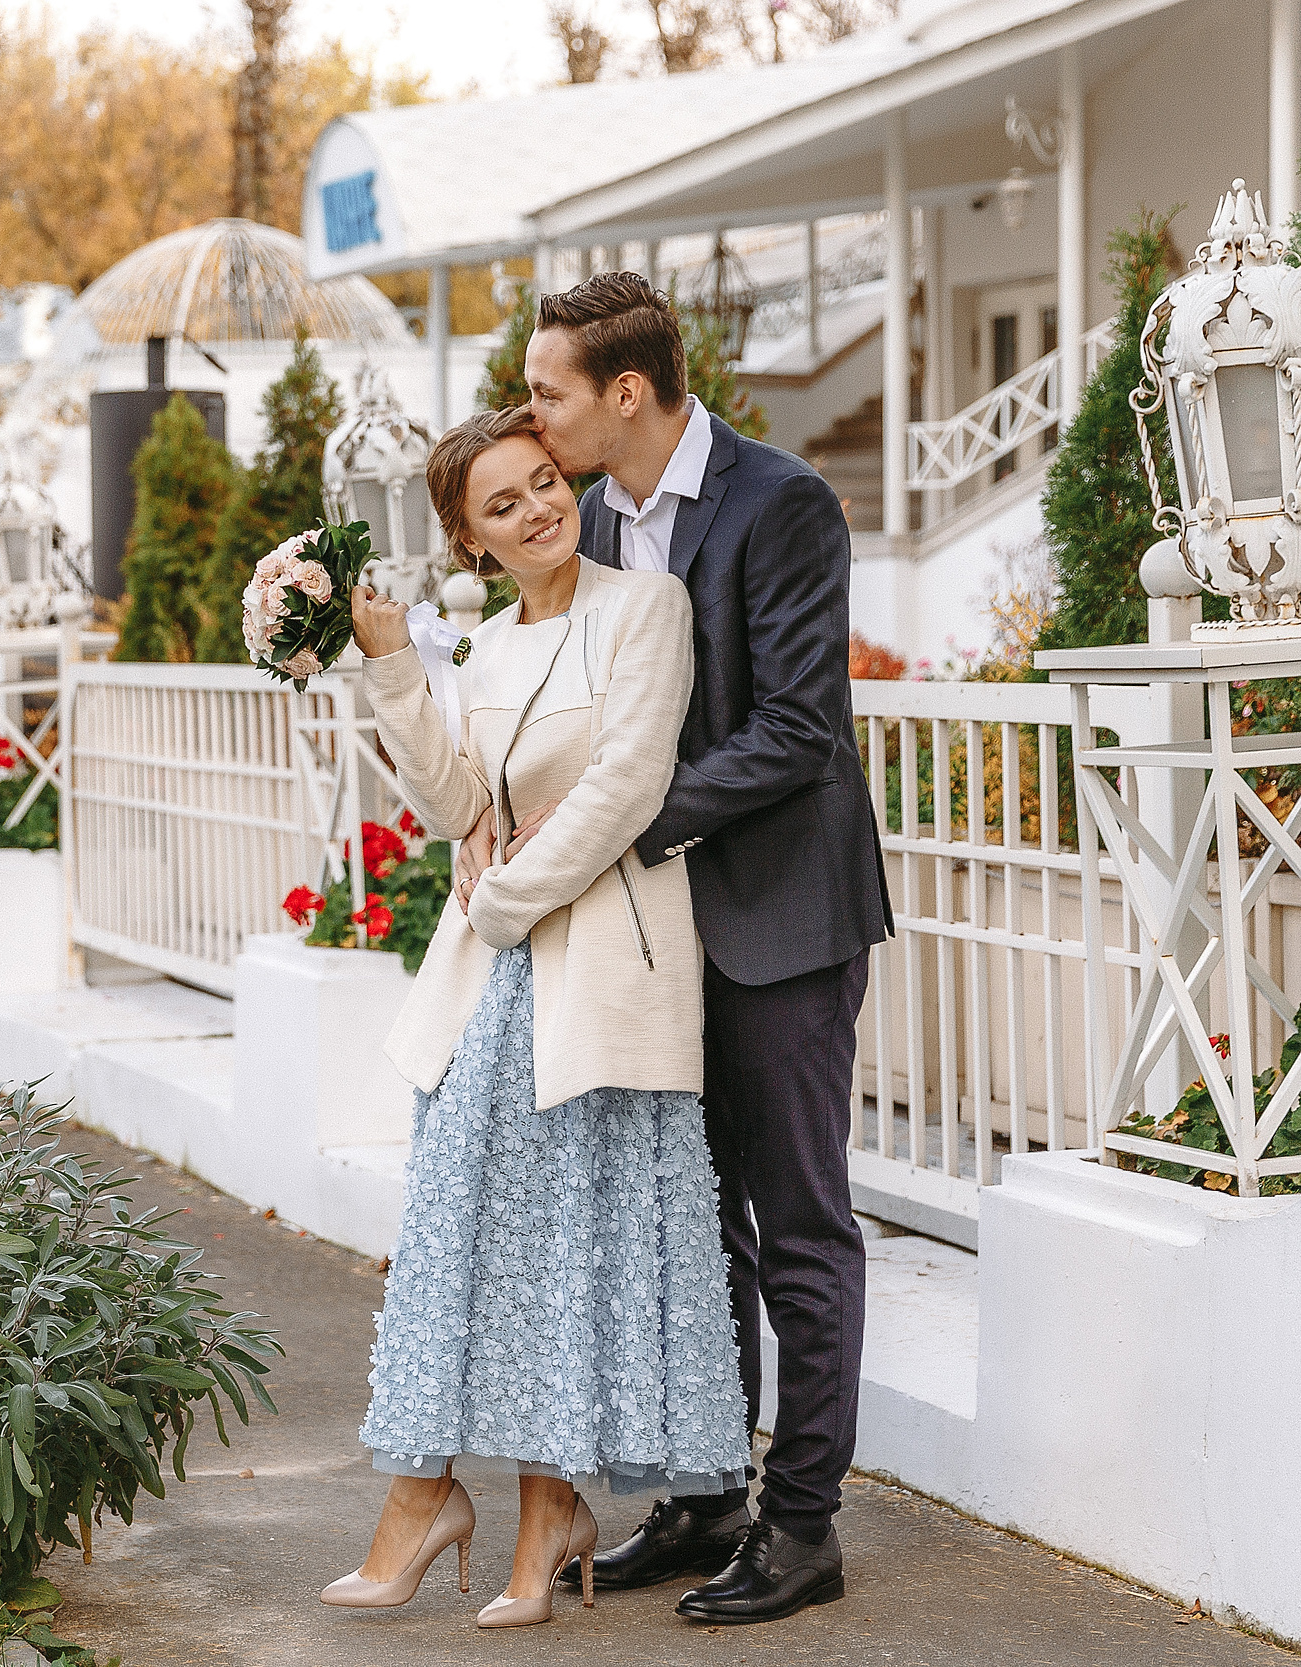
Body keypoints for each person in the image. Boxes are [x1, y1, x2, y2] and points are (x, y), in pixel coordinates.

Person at [321, 403, 749, 1630]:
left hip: (598, 966)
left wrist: (501, 896)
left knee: (568, 1248)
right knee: (465, 1241)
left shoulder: (642, 607)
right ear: (471, 540)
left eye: (544, 482)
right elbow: (457, 802)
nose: (537, 509)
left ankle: (544, 1514)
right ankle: (430, 1498)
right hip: (493, 986)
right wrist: (394, 668)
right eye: (501, 504)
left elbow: (628, 783)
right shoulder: (486, 647)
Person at [517, 271, 893, 1625]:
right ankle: (706, 1494)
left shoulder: (782, 501)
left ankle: (803, 1523)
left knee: (799, 1228)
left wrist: (621, 819)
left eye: (548, 391)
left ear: (625, 392)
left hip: (782, 917)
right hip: (657, 936)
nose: (532, 415)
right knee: (694, 1229)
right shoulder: (588, 519)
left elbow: (796, 728)